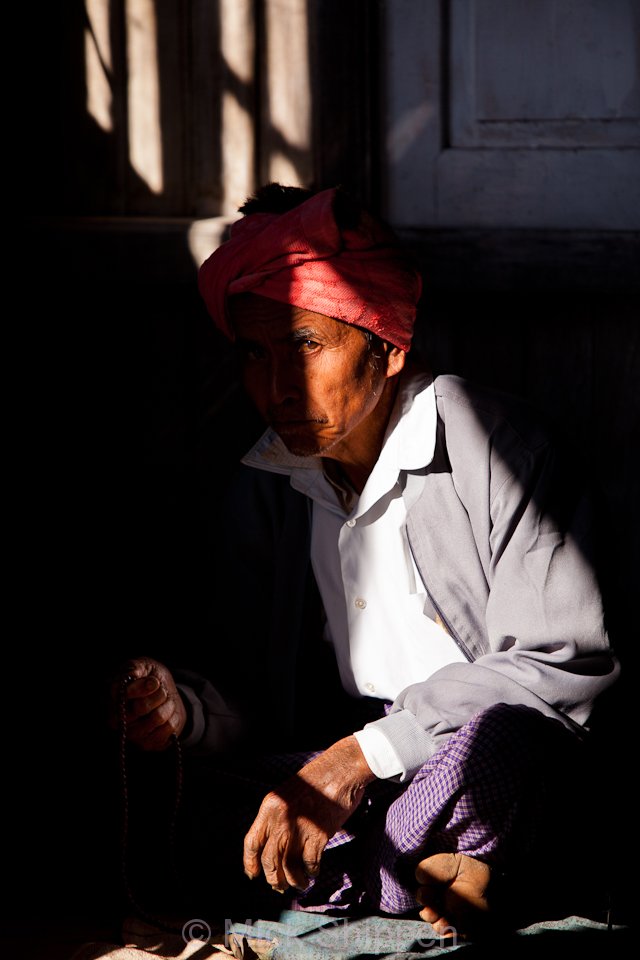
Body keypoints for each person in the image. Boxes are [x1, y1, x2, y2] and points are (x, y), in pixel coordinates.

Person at [113, 183, 620, 940]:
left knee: (501, 750)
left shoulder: (494, 449)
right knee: (201, 802)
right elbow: (252, 695)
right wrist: (183, 712)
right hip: (348, 776)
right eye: (256, 353)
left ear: (385, 346)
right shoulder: (271, 482)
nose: (279, 387)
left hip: (460, 756)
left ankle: (404, 864)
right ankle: (437, 872)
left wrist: (358, 759)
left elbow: (561, 667)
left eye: (307, 346)